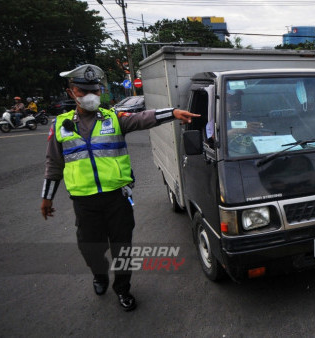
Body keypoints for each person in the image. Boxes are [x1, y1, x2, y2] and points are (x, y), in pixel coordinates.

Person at [40, 64, 199, 312]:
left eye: (95, 90)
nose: (91, 95)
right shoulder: (60, 126)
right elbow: (53, 164)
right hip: (84, 202)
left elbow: (143, 118)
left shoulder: (113, 118)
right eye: (84, 91)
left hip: (117, 199)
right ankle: (99, 276)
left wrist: (174, 112)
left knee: (122, 248)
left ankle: (123, 289)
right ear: (71, 92)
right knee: (90, 249)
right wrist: (47, 198)